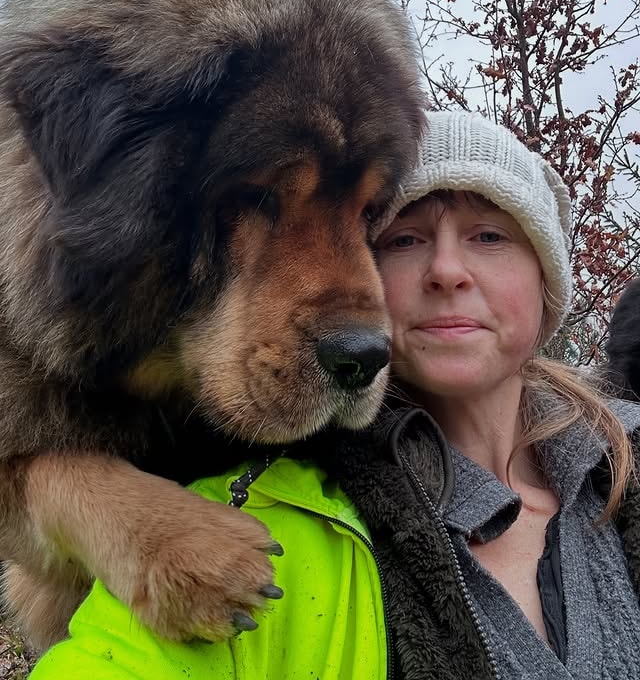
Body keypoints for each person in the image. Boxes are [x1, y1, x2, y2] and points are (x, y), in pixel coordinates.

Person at [29, 111, 640, 679]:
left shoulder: (626, 459)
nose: (447, 269)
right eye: (404, 240)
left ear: (546, 283)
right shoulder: (265, 513)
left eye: (489, 236)